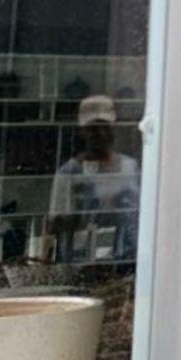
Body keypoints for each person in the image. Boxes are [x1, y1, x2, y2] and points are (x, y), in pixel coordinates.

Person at [47, 95, 140, 265]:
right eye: (94, 129)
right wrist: (85, 211)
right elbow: (54, 225)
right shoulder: (69, 172)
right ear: (82, 131)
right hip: (81, 263)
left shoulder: (130, 167)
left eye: (105, 127)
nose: (101, 134)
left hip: (127, 261)